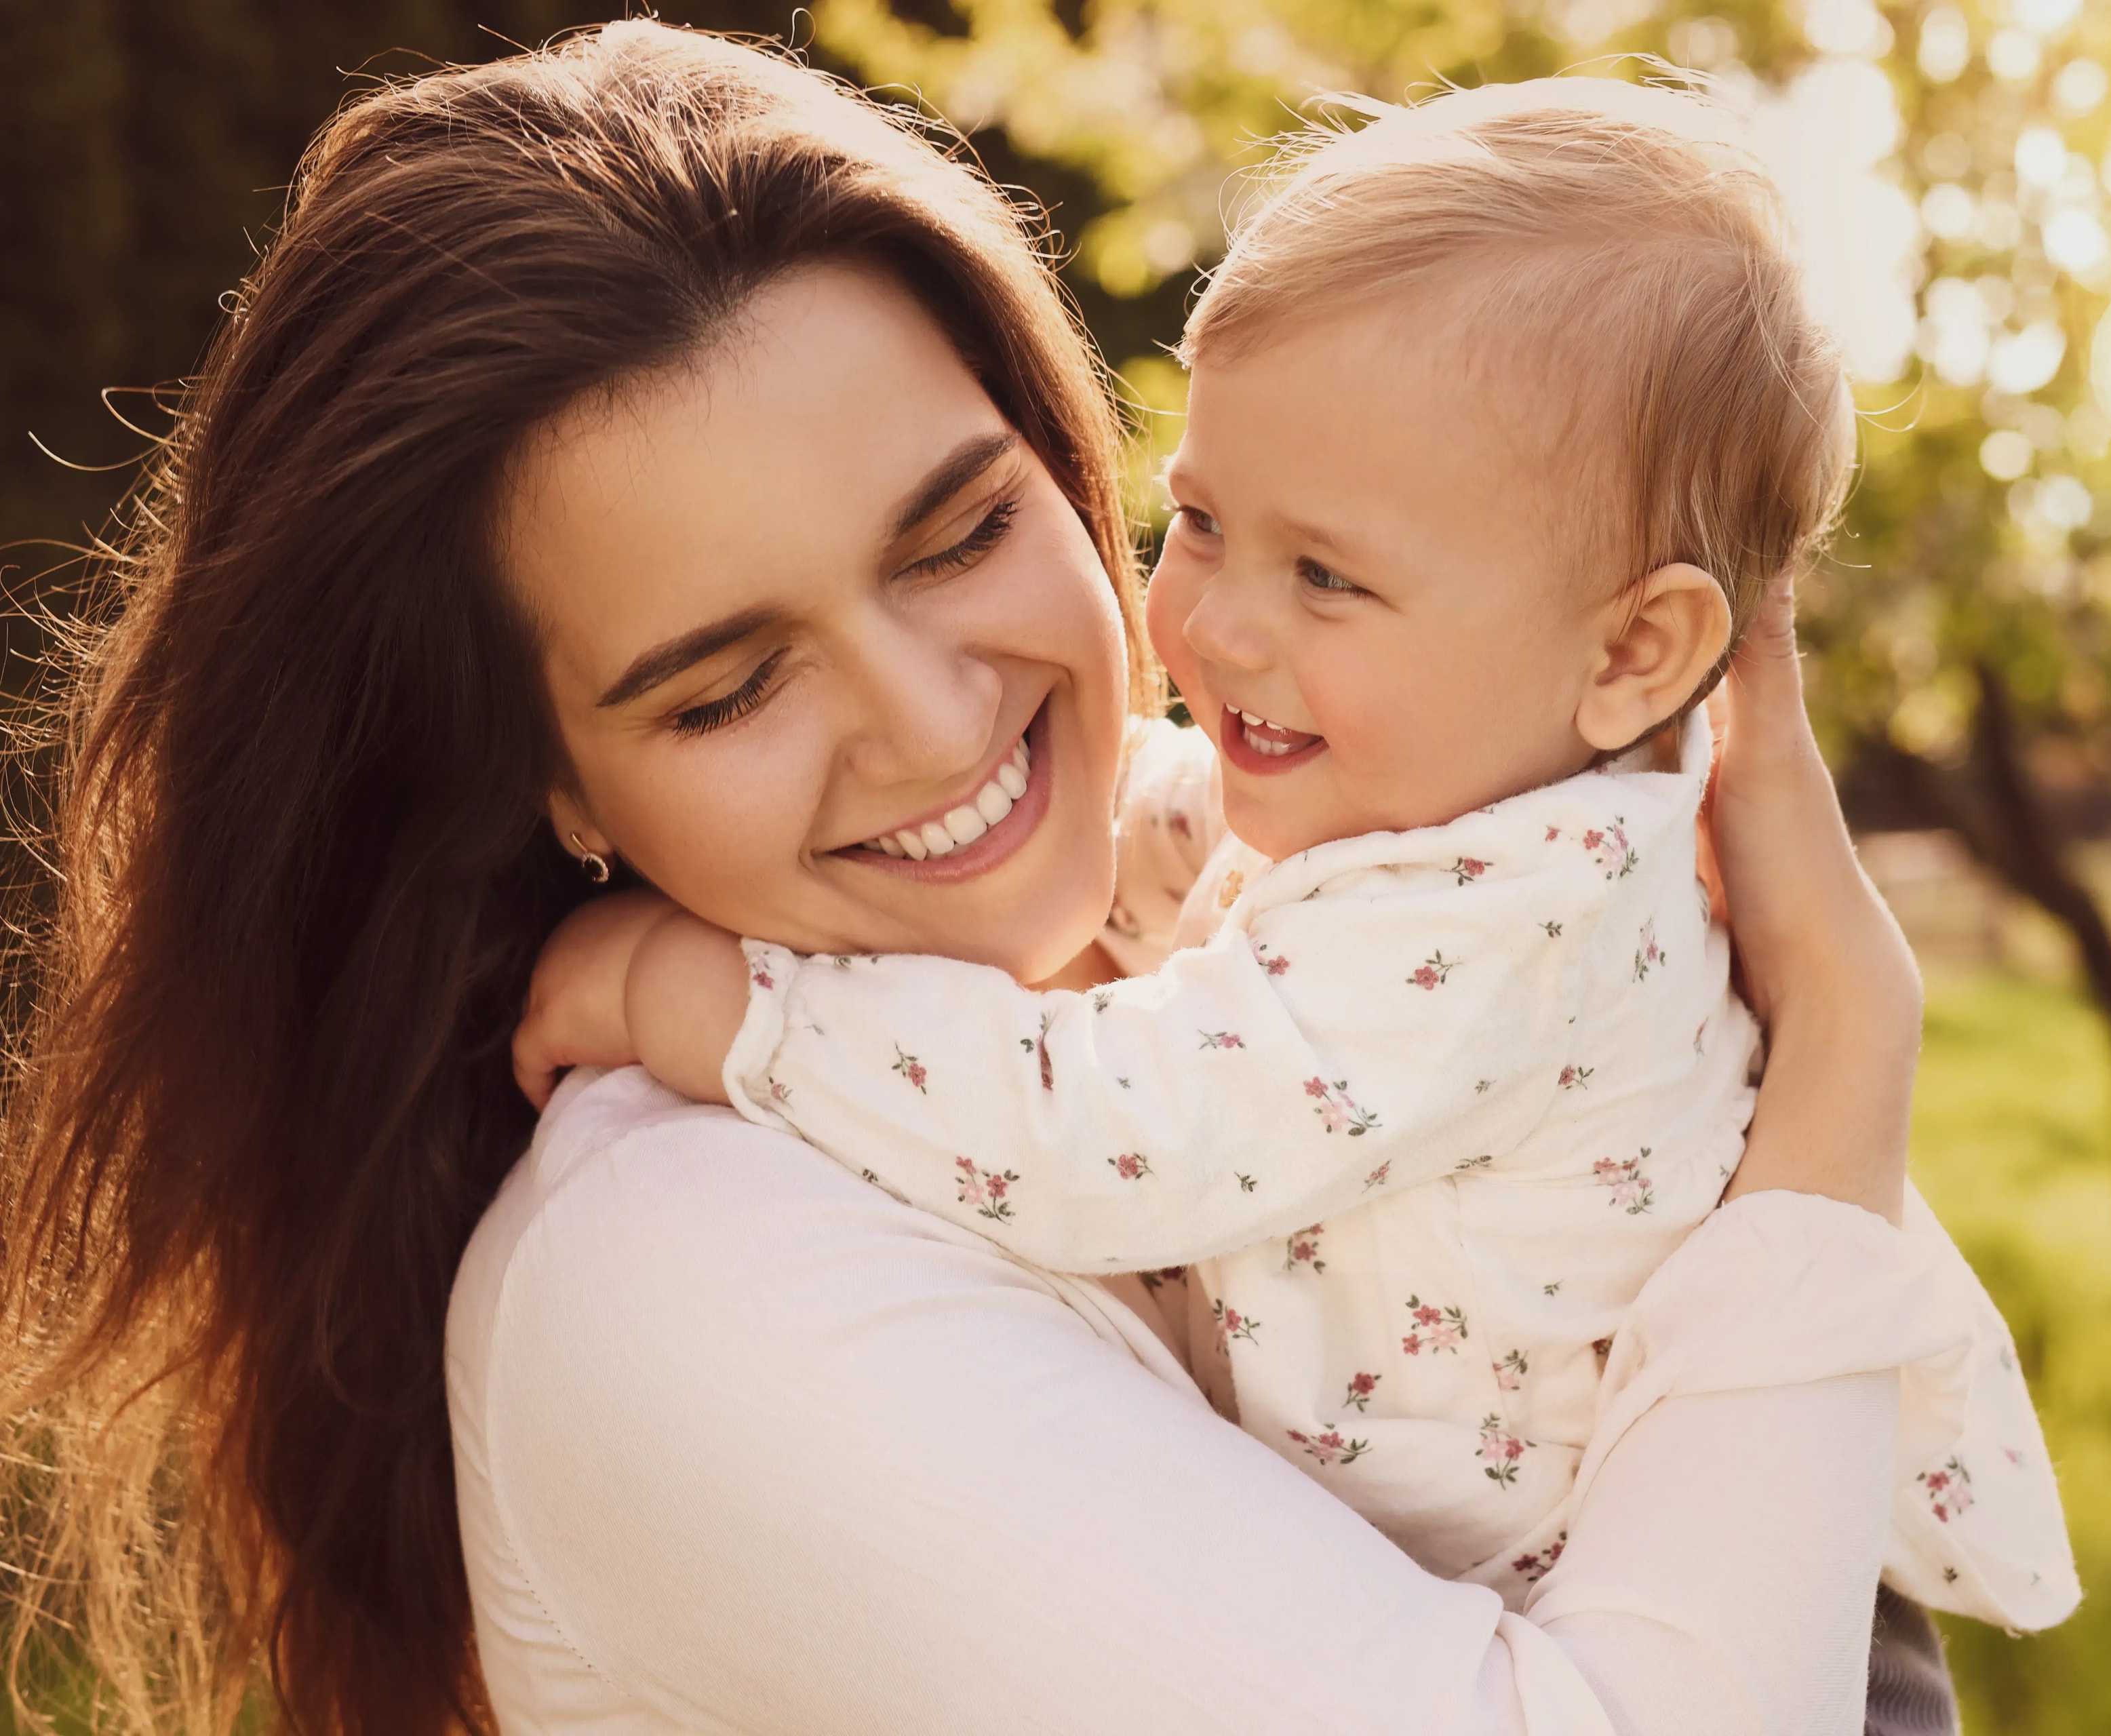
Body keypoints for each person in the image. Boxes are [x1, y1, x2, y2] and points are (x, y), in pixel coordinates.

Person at [0, 23, 1992, 1735]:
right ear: (554, 783)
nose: (938, 725)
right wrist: (1839, 1075)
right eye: (731, 685)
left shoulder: (1227, 904)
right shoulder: (695, 1274)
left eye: (958, 536)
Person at [519, 79, 2076, 1628]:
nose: (1215, 623)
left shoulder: (1506, 922)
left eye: (1326, 575)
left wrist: (708, 998)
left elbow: (1105, 1132)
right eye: (1198, 520)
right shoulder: (1464, 795)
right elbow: (1178, 827)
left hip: (1773, 1648)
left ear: (1633, 649)